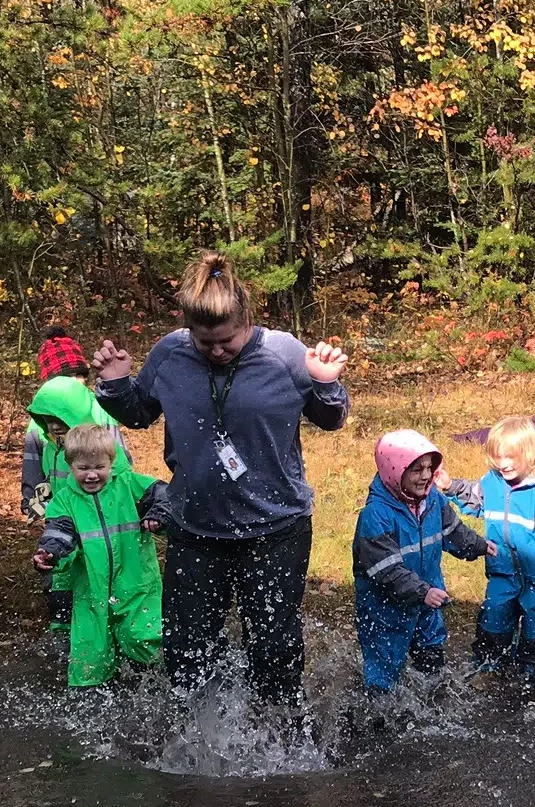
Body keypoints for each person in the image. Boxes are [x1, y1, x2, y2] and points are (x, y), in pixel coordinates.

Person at [92, 253, 349, 710]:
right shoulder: (171, 353)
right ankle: (196, 739)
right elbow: (139, 413)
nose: (216, 351)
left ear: (245, 317)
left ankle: (281, 735)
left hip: (276, 529)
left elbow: (331, 420)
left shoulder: (284, 353)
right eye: (204, 341)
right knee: (186, 650)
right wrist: (115, 385)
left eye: (226, 340)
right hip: (194, 529)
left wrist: (326, 384)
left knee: (273, 650)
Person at [32, 423, 167, 687]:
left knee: (144, 638)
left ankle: (153, 680)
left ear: (111, 463)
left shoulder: (129, 485)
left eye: (99, 467)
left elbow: (165, 495)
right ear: (71, 467)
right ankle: (95, 702)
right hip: (91, 591)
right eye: (83, 468)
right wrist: (49, 553)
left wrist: (158, 515)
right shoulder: (64, 500)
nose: (92, 475)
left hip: (137, 584)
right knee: (90, 657)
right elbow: (59, 532)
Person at [450, 414, 535, 677]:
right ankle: (489, 666)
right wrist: (449, 486)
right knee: (494, 615)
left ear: (530, 454)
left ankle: (533, 672)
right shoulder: (494, 483)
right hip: (503, 570)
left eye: (510, 457)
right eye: (498, 457)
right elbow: (475, 498)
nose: (503, 464)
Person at [352, 430, 487, 690]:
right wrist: (421, 591)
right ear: (394, 470)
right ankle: (378, 718)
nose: (426, 476)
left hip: (427, 598)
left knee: (431, 660)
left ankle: (430, 709)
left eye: (429, 468)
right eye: (416, 470)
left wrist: (479, 546)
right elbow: (386, 570)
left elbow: (453, 532)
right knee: (385, 667)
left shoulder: (433, 499)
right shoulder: (376, 515)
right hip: (385, 610)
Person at [23, 372, 128, 642]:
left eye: (60, 420)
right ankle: (66, 631)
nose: (55, 427)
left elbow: (123, 475)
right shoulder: (48, 442)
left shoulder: (99, 437)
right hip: (65, 514)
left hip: (97, 518)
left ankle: (107, 630)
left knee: (98, 575)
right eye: (48, 421)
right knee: (61, 570)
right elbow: (40, 471)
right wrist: (36, 498)